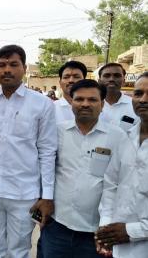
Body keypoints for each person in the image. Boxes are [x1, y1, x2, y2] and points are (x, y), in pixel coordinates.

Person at [0, 45, 57, 258]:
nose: (7, 70)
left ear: (24, 68)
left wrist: (47, 196)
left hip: (24, 193)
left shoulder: (42, 104)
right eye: (2, 65)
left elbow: (47, 151)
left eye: (13, 64)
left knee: (18, 251)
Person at [39, 79, 131, 258]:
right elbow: (45, 168)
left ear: (102, 104)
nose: (85, 104)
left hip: (95, 232)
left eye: (92, 100)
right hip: (57, 227)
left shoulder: (117, 137)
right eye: (79, 99)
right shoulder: (57, 132)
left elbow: (121, 182)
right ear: (71, 102)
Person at [96, 72, 148, 257]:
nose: (143, 100)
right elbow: (111, 185)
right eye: (138, 93)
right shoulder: (126, 138)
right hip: (119, 243)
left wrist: (132, 231)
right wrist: (106, 228)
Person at [98, 62, 138, 130]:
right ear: (99, 81)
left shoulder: (135, 105)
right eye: (107, 76)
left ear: (123, 81)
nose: (111, 79)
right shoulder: (90, 104)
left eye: (117, 75)